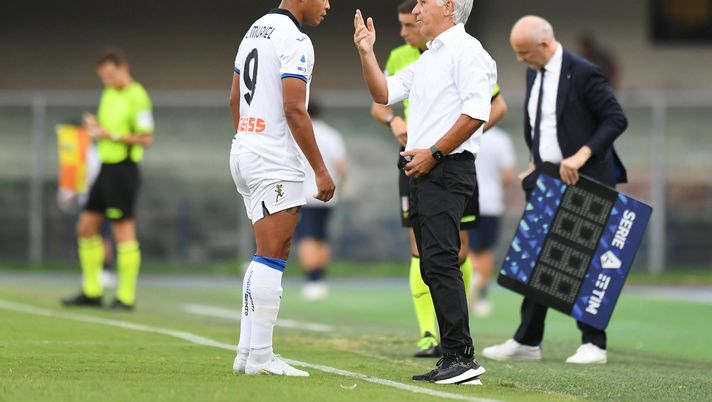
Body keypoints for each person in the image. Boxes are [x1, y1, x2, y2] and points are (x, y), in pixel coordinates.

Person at [355, 0, 496, 385]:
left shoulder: (467, 51)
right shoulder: (432, 55)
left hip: (446, 168)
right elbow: (383, 93)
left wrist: (434, 153)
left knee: (440, 259)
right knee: (433, 262)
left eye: (423, 1)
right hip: (425, 169)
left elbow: (477, 112)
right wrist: (366, 52)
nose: (416, 9)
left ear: (449, 6)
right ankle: (455, 356)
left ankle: (461, 357)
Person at [482, 15, 628, 365]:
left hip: (585, 178)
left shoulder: (584, 72)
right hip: (546, 179)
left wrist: (580, 155)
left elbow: (615, 119)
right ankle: (527, 341)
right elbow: (539, 124)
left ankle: (595, 344)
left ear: (545, 45)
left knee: (584, 262)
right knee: (538, 261)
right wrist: (535, 162)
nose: (519, 60)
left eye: (523, 52)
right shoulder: (535, 70)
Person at [229, 0, 335, 377]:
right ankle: (260, 356)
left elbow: (233, 98)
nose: (327, 5)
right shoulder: (295, 39)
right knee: (273, 252)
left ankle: (246, 353)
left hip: (245, 150)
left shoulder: (254, 29)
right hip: (272, 158)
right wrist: (320, 171)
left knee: (268, 251)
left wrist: (246, 140)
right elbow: (295, 108)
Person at [61, 48, 154, 311]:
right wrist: (94, 127)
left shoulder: (138, 96)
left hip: (124, 169)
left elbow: (147, 138)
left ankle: (126, 297)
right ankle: (92, 290)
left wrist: (111, 135)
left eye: (111, 75)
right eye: (103, 77)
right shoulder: (109, 93)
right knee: (86, 227)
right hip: (105, 168)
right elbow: (105, 129)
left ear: (124, 68)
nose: (107, 80)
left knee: (122, 231)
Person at [296, 101, 347, 301]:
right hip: (328, 194)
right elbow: (341, 166)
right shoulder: (331, 134)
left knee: (307, 237)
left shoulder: (295, 132)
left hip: (303, 194)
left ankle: (312, 280)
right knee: (321, 237)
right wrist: (339, 185)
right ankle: (320, 279)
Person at [468, 126, 516, 317]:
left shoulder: (464, 132)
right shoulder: (500, 139)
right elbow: (507, 175)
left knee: (467, 246)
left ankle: (470, 284)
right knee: (485, 250)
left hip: (465, 198)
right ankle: (481, 296)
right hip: (490, 202)